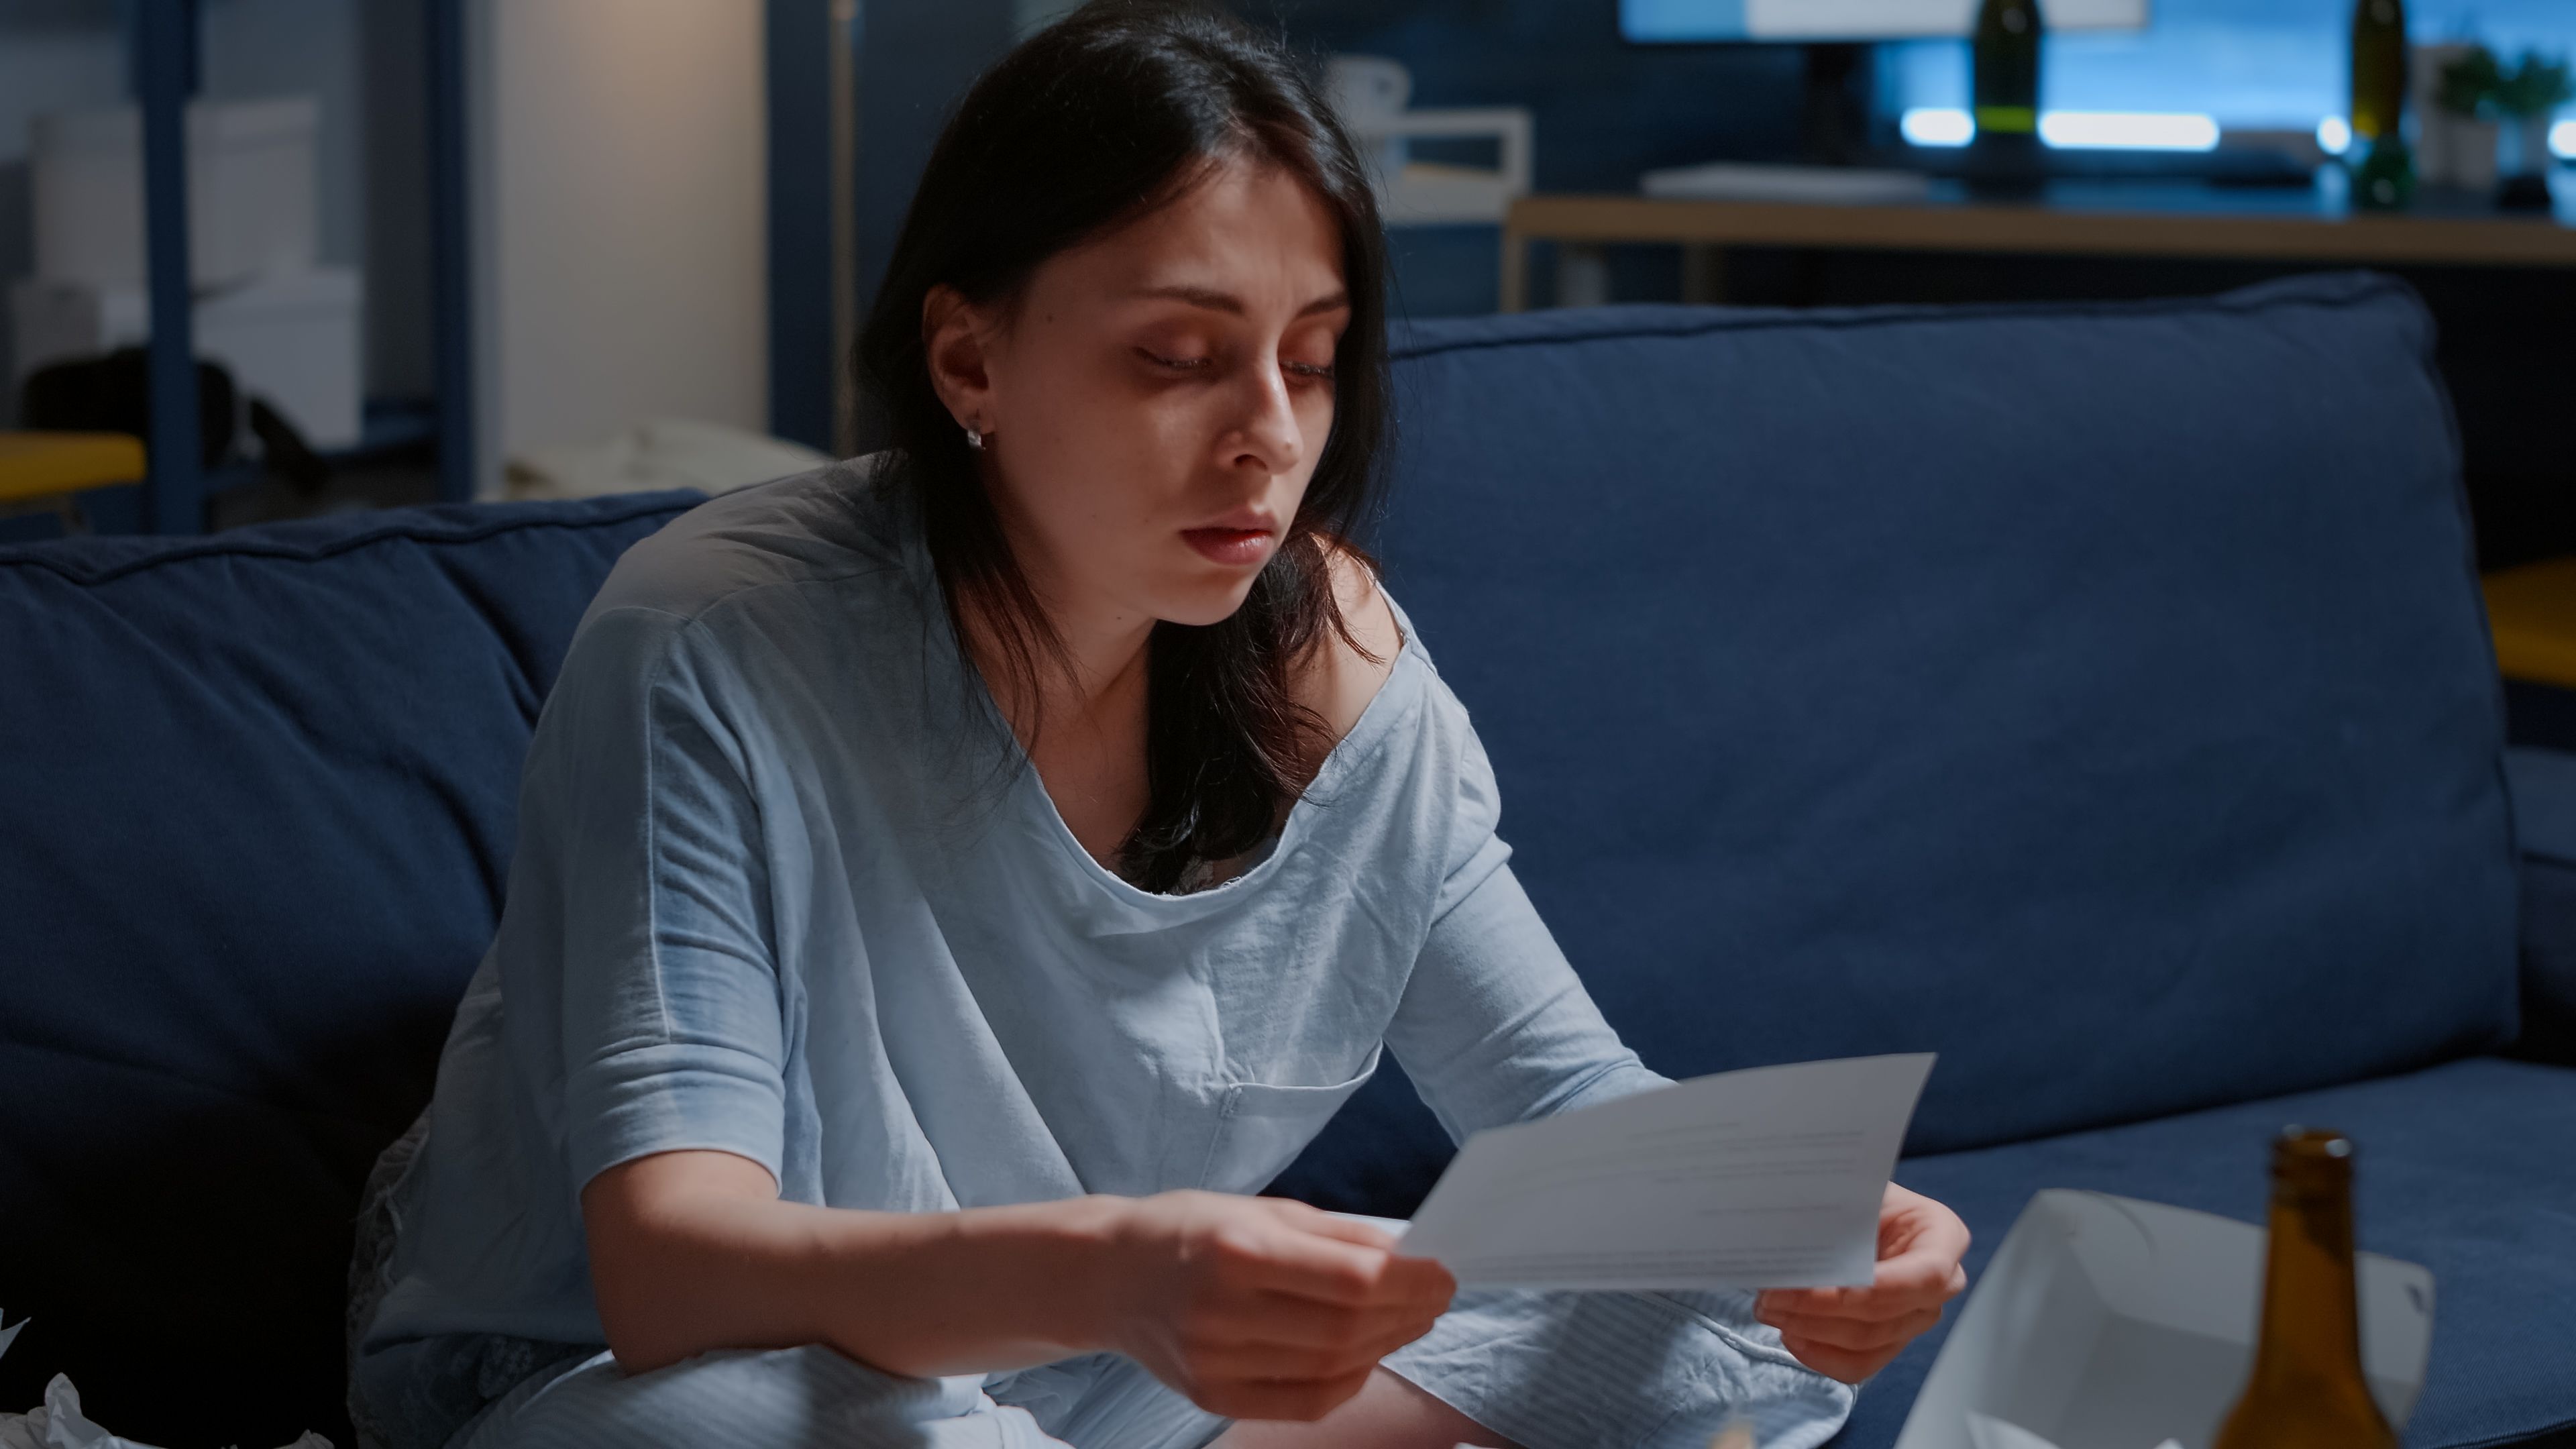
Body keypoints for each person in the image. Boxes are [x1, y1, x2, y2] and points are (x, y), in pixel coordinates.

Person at [344, 4, 1971, 1447]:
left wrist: (1810, 1224)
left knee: (1708, 1301)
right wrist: (1134, 1272)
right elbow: (672, 1272)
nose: (1270, 440)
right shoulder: (714, 641)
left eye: (1314, 363)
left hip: (1112, 1374)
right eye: (1180, 358)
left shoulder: (1335, 669)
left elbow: (1560, 1109)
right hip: (667, 1368)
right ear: (970, 356)